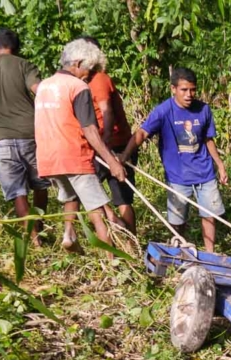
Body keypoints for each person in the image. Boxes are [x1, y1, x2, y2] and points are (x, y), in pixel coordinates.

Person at [120, 67, 228, 252]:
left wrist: (220, 165)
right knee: (178, 220)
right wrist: (124, 156)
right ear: (173, 89)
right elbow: (142, 133)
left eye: (192, 90)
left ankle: (211, 254)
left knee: (209, 214)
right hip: (177, 176)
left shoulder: (203, 110)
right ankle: (180, 250)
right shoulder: (163, 111)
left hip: (204, 173)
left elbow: (208, 139)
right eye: (184, 90)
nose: (189, 95)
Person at [34, 39, 126, 253]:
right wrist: (112, 161)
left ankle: (68, 234)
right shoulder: (78, 86)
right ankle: (112, 262)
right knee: (97, 212)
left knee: (71, 196)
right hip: (74, 157)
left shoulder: (45, 85)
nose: (91, 75)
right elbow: (90, 130)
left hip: (48, 159)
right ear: (77, 63)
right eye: (90, 69)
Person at [0, 28, 49, 245]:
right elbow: (40, 90)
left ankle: (34, 239)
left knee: (17, 192)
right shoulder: (24, 65)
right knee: (41, 184)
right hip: (31, 135)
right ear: (16, 47)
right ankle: (40, 226)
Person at [80, 36, 137, 235]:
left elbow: (107, 111)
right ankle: (116, 233)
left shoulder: (99, 79)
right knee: (93, 194)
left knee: (121, 198)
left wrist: (103, 145)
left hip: (113, 147)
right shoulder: (84, 82)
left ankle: (130, 243)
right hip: (103, 146)